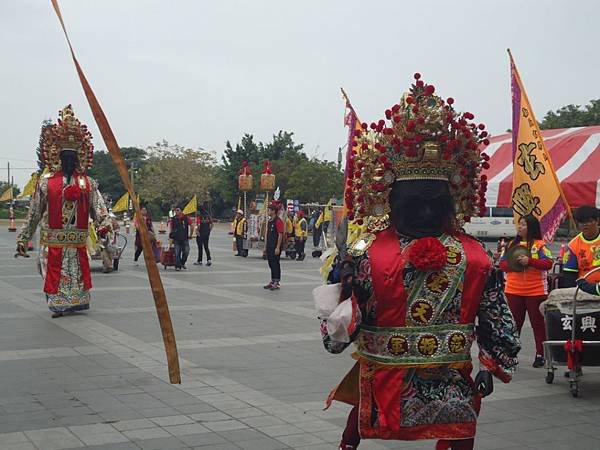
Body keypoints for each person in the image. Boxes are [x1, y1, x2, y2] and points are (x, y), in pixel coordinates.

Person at [317, 75, 520, 450]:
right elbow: (338, 330)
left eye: (435, 204)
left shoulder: (475, 256)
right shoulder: (363, 252)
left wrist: (491, 363)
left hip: (451, 372)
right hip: (382, 370)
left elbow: (496, 319)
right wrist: (341, 286)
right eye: (415, 204)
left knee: (458, 429)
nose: (427, 213)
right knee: (361, 421)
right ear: (390, 201)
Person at [16, 105, 110, 318]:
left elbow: (100, 209)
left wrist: (106, 225)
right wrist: (24, 238)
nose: (69, 161)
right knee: (55, 274)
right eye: (65, 156)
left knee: (77, 274)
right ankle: (58, 304)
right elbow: (34, 213)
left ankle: (77, 303)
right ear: (57, 156)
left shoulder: (88, 183)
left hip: (77, 241)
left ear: (79, 158)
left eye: (73, 157)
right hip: (54, 240)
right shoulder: (45, 183)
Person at [499, 215, 552, 368]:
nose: (520, 227)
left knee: (538, 324)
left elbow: (548, 263)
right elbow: (502, 264)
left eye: (524, 224)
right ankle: (511, 353)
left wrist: (530, 262)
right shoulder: (511, 245)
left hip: (536, 291)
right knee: (514, 324)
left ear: (532, 227)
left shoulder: (540, 245)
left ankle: (540, 354)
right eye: (519, 224)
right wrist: (514, 264)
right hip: (513, 290)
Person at [562, 205, 600, 286]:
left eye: (589, 221)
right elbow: (569, 273)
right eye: (581, 222)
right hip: (584, 291)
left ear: (597, 221)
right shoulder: (573, 245)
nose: (585, 225)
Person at [264, 203, 284, 290]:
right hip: (269, 245)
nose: (268, 211)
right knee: (271, 263)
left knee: (275, 263)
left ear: (273, 211)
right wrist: (265, 247)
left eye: (269, 210)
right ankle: (272, 280)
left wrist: (278, 247)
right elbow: (267, 234)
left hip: (275, 246)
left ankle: (277, 282)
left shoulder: (279, 221)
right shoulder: (270, 221)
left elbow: (280, 235)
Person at [169, 206, 193, 270]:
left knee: (186, 251)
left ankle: (182, 263)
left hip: (185, 238)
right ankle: (177, 266)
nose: (176, 212)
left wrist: (190, 235)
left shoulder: (186, 217)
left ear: (181, 211)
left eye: (177, 210)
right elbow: (171, 229)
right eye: (175, 210)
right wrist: (171, 238)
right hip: (176, 239)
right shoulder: (173, 219)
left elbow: (191, 225)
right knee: (177, 253)